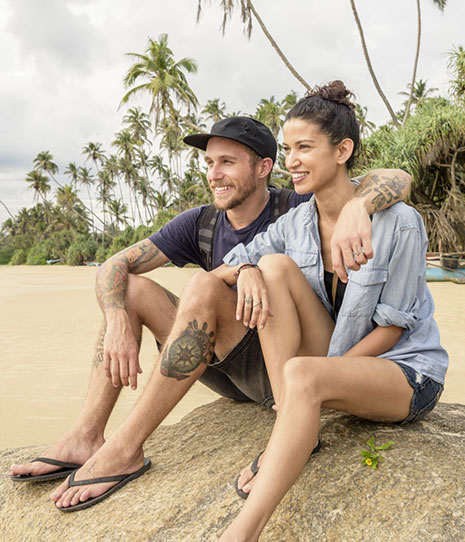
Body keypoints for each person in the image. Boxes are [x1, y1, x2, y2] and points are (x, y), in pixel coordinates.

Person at [9, 116, 411, 511]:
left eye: (227, 162)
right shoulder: (200, 222)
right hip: (221, 363)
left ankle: (125, 448)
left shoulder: (298, 207)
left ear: (263, 168)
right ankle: (86, 434)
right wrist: (115, 318)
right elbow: (114, 265)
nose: (214, 174)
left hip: (283, 362)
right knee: (130, 289)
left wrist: (358, 206)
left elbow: (395, 179)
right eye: (209, 163)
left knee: (205, 284)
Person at [213, 82, 449, 541]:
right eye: (287, 149)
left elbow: (394, 332)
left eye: (305, 147)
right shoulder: (296, 221)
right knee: (273, 266)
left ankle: (242, 532)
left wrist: (318, 378)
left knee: (304, 376)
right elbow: (228, 264)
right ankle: (296, 423)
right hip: (336, 358)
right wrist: (246, 269)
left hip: (403, 371)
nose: (292, 161)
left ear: (343, 150)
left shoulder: (399, 222)